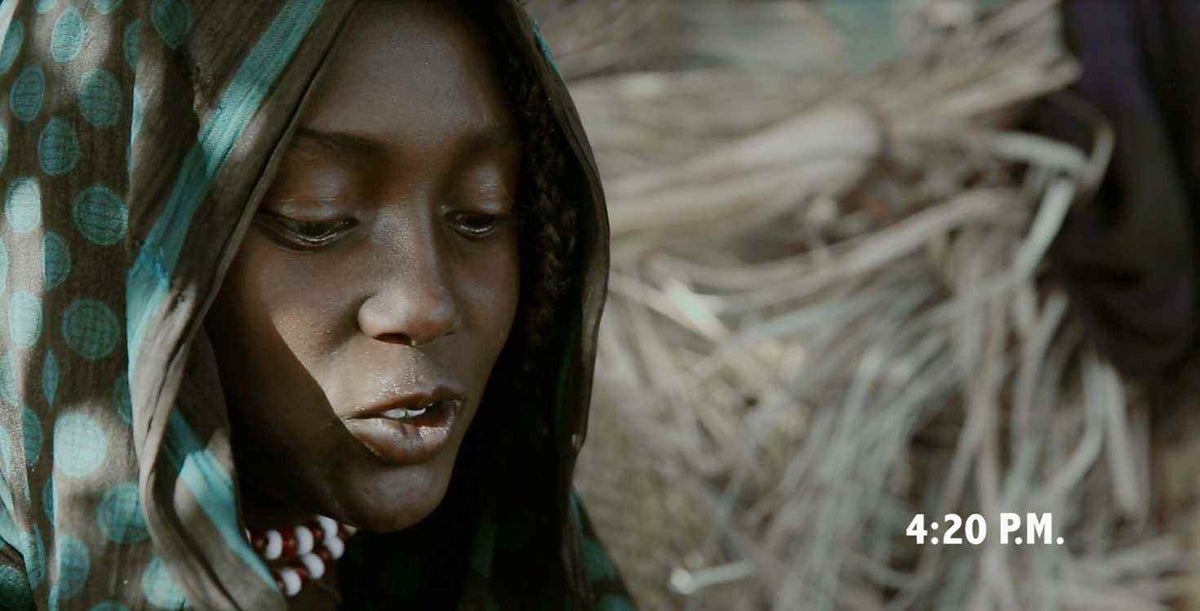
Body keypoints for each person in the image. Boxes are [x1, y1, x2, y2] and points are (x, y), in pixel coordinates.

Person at [0, 0, 631, 608]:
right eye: (316, 218)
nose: (424, 306)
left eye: (481, 213)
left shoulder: (498, 553)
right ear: (108, 254)